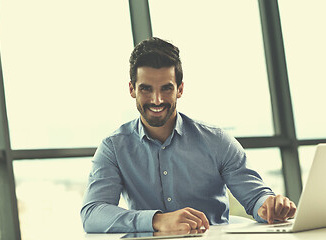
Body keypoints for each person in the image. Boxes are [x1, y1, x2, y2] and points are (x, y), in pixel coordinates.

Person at [80, 37, 296, 233]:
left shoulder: (217, 141)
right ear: (132, 89)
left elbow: (256, 198)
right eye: (146, 89)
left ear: (180, 89)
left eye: (166, 88)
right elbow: (92, 213)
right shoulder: (114, 148)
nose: (156, 100)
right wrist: (157, 220)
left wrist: (270, 206)